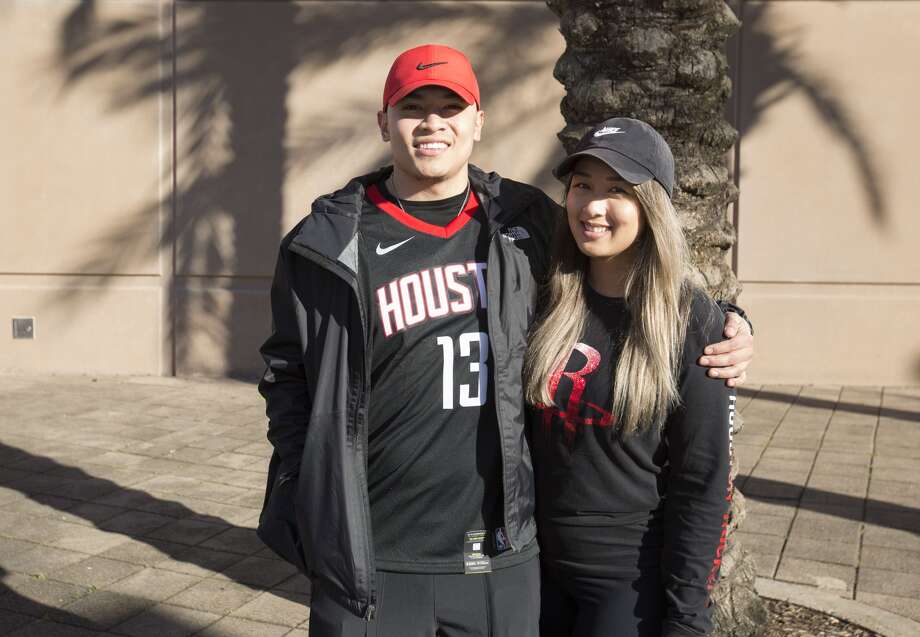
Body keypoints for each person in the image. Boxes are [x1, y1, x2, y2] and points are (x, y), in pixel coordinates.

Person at [256, 45, 752, 637]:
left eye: (451, 107)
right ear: (384, 122)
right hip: (371, 555)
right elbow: (287, 374)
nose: (433, 123)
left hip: (501, 556)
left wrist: (727, 317)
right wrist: (305, 483)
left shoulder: (524, 223)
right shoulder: (327, 244)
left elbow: (622, 273)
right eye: (413, 107)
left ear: (477, 123)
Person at [525, 118, 736, 637]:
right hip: (530, 574)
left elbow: (703, 484)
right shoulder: (542, 299)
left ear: (651, 206)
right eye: (582, 187)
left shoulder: (693, 323)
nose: (593, 207)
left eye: (617, 190)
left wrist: (687, 619)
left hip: (627, 586)